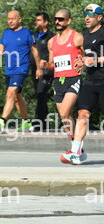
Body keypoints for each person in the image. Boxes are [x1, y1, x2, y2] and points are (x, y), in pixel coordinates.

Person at [61, 4, 104, 165]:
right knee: (82, 114)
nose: (87, 17)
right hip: (90, 82)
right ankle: (76, 151)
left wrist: (95, 60)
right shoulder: (84, 35)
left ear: (99, 17)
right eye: (85, 14)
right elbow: (84, 57)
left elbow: (94, 58)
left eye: (90, 15)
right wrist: (81, 62)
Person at [0, 10, 43, 132]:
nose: (10, 21)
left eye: (13, 18)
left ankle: (2, 121)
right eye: (8, 19)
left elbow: (35, 51)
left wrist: (39, 68)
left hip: (21, 69)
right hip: (9, 70)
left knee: (10, 92)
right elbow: (0, 49)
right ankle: (27, 122)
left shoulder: (27, 33)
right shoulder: (6, 33)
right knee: (17, 96)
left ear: (19, 19)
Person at [39, 9, 83, 153]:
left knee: (64, 113)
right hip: (58, 81)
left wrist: (83, 61)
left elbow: (89, 55)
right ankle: (78, 147)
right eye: (56, 19)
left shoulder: (77, 37)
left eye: (61, 19)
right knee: (66, 118)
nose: (57, 22)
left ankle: (75, 148)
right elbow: (52, 64)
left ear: (68, 21)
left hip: (73, 79)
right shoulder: (51, 42)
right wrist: (46, 65)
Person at [31, 12, 55, 132]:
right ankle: (44, 125)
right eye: (35, 20)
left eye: (39, 20)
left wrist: (45, 67)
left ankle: (37, 124)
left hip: (46, 71)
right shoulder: (33, 36)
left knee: (41, 94)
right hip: (34, 70)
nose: (36, 22)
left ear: (46, 22)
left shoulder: (52, 37)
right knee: (40, 96)